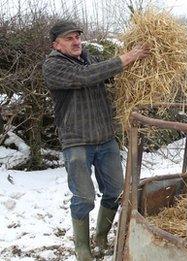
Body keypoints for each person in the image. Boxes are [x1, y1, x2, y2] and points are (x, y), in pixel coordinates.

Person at [42, 20, 149, 260]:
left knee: (115, 191)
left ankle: (101, 236)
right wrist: (129, 56)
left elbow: (106, 77)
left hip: (105, 138)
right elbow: (86, 77)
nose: (76, 41)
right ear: (56, 44)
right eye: (69, 38)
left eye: (78, 37)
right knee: (84, 197)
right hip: (77, 141)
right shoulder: (53, 66)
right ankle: (82, 248)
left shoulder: (87, 59)